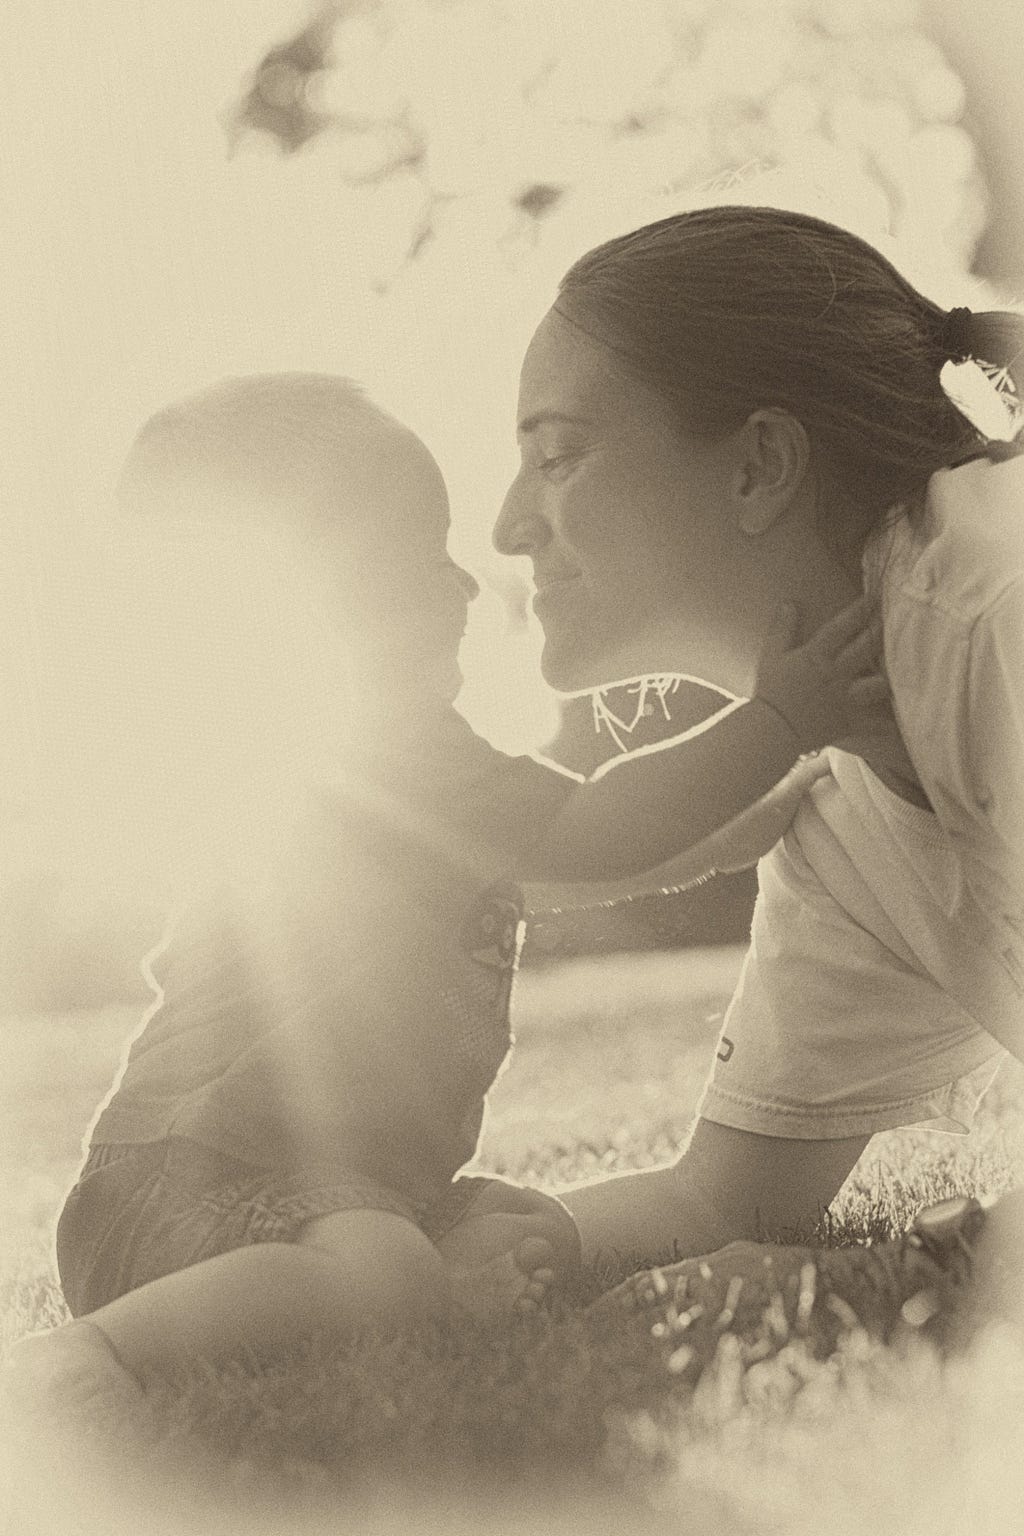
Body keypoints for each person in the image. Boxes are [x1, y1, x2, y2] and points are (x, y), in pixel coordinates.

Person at [2, 372, 884, 1430]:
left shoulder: (424, 785)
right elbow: (616, 827)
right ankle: (83, 1353)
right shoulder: (393, 762)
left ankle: (419, 1283)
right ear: (331, 597)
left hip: (311, 1189)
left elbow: (606, 858)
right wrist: (780, 718)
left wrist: (784, 800)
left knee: (526, 1227)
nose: (468, 589)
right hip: (190, 1184)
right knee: (384, 1269)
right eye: (427, 561)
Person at [483, 205, 1024, 1283]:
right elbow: (727, 1198)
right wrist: (494, 1250)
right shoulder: (842, 818)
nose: (506, 525)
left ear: (757, 464)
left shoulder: (996, 610)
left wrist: (929, 1266)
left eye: (559, 455)